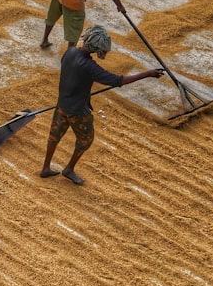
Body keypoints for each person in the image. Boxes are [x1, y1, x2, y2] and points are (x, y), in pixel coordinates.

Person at [40, 25, 163, 185]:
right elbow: (118, 80)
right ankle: (69, 169)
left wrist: (84, 94)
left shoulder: (69, 52)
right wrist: (148, 73)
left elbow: (73, 77)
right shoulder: (90, 67)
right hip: (78, 112)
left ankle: (46, 168)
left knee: (54, 136)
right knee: (86, 139)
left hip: (62, 105)